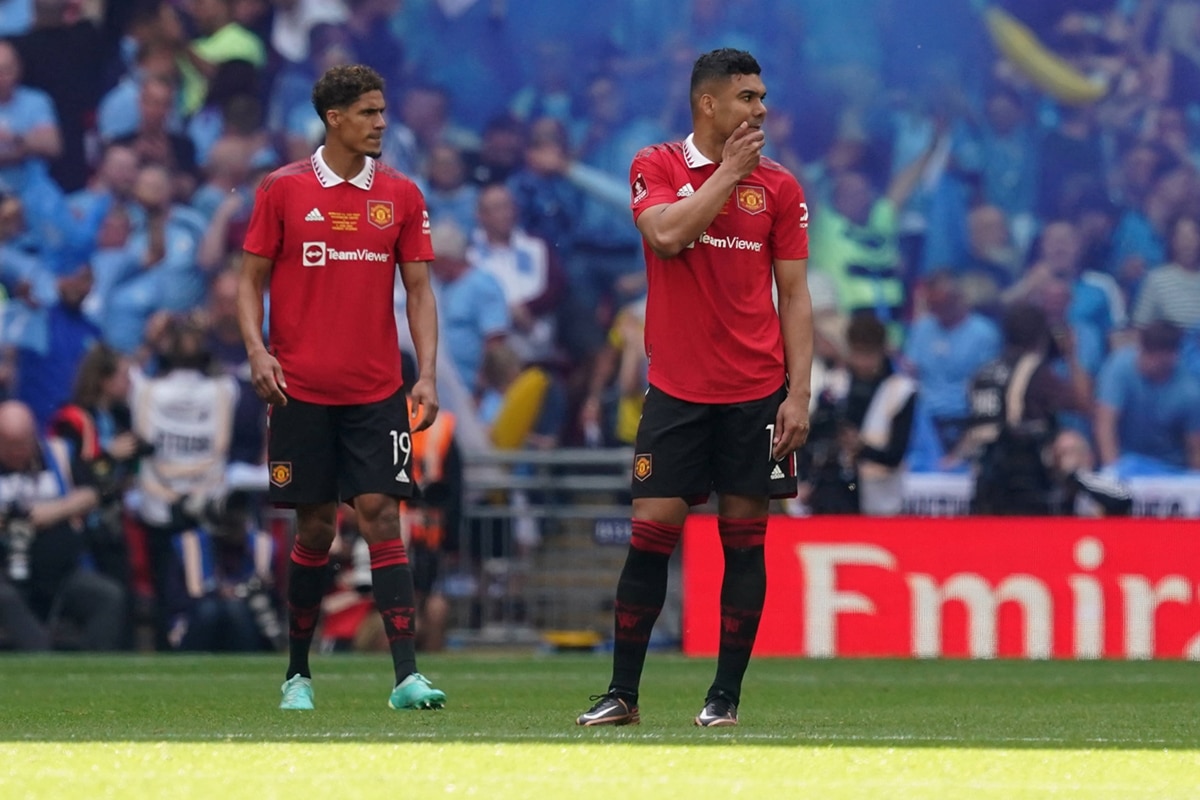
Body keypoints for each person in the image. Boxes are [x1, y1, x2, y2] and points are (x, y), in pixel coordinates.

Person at [576, 49, 812, 729]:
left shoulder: (782, 188)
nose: (760, 109)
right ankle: (624, 693)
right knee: (651, 533)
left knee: (745, 542)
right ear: (707, 104)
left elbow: (794, 298)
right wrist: (728, 175)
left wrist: (798, 395)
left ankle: (724, 699)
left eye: (763, 97)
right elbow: (668, 234)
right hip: (677, 389)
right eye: (747, 97)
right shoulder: (655, 165)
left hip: (756, 391)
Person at [239, 64, 446, 712]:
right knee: (317, 529)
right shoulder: (283, 189)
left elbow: (418, 291)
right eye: (369, 112)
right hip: (299, 389)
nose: (381, 123)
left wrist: (429, 372)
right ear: (335, 118)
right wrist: (256, 352)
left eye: (383, 112)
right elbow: (249, 281)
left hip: (377, 390)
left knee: (383, 513)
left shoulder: (403, 195)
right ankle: (298, 673)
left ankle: (406, 676)